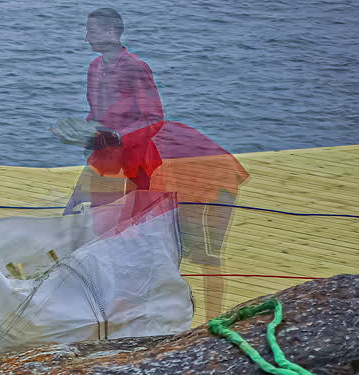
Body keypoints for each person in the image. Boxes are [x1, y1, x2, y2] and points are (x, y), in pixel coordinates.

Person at [53, 8, 249, 320]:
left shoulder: (135, 67)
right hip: (113, 158)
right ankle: (116, 310)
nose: (86, 37)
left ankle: (209, 317)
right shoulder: (94, 68)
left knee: (192, 249)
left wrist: (116, 136)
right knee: (87, 222)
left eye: (91, 31)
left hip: (156, 165)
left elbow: (154, 117)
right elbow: (98, 118)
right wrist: (81, 132)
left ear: (110, 32)